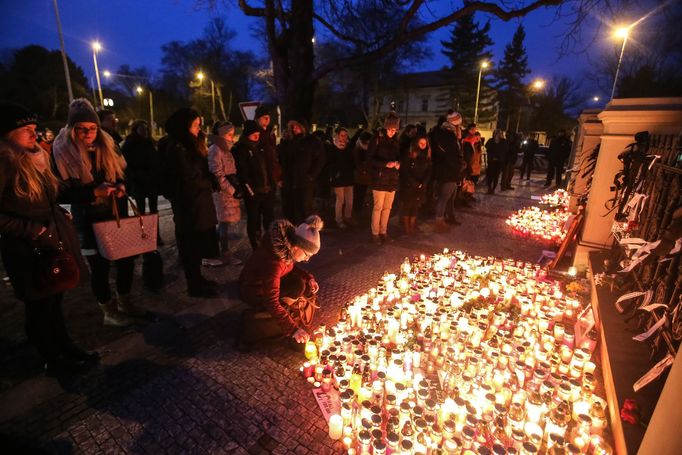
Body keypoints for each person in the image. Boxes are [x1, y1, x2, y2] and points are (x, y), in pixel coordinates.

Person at [0, 102, 98, 376]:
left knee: (54, 301)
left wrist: (58, 214)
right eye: (26, 130)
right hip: (26, 250)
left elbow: (48, 198)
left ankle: (65, 347)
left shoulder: (34, 159)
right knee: (39, 306)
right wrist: (34, 230)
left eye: (34, 128)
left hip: (49, 243)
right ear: (8, 134)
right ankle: (52, 359)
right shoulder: (4, 163)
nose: (34, 134)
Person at [52, 99, 144, 326]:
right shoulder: (62, 151)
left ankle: (125, 301)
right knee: (100, 267)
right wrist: (94, 193)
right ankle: (109, 312)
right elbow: (60, 194)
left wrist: (123, 186)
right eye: (82, 128)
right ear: (72, 129)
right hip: (88, 219)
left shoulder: (108, 143)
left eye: (92, 127)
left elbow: (125, 173)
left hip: (116, 213)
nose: (89, 133)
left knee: (125, 261)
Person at [161, 107, 221, 297]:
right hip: (189, 206)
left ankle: (198, 279)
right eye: (195, 125)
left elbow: (199, 170)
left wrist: (210, 178)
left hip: (198, 203)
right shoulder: (177, 148)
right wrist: (208, 182)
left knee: (197, 245)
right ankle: (194, 286)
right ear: (184, 126)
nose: (198, 129)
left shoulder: (189, 145)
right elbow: (188, 178)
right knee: (190, 247)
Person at [238, 215, 323, 347]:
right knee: (294, 289)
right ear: (296, 247)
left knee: (300, 283)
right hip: (253, 290)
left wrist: (309, 278)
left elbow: (290, 268)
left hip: (264, 284)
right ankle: (272, 318)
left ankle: (285, 312)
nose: (307, 260)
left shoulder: (286, 249)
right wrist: (293, 330)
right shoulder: (274, 262)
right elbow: (271, 300)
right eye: (307, 255)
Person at [233, 120, 275, 249]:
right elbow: (242, 173)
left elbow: (267, 167)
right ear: (247, 134)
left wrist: (271, 185)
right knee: (254, 220)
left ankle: (269, 243)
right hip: (254, 192)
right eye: (254, 134)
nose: (257, 136)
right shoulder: (241, 149)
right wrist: (250, 191)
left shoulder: (259, 147)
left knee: (269, 218)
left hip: (266, 190)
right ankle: (256, 246)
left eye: (258, 134)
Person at [206, 121, 243, 266]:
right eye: (229, 134)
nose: (232, 138)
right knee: (223, 225)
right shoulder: (215, 149)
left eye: (233, 134)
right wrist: (232, 190)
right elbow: (217, 174)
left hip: (228, 192)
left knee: (224, 224)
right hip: (222, 193)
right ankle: (223, 254)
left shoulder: (226, 149)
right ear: (221, 135)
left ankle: (212, 252)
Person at [278, 120, 325, 224]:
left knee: (304, 209)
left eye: (296, 126)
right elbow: (283, 161)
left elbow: (319, 160)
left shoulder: (312, 142)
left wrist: (311, 176)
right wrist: (281, 178)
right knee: (291, 209)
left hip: (305, 183)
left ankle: (304, 233)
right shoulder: (289, 142)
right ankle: (292, 232)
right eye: (292, 126)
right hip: (290, 182)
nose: (294, 129)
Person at [369, 112, 401, 245]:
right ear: (386, 127)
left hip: (392, 179)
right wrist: (385, 164)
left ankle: (384, 232)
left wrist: (398, 164)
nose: (393, 132)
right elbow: (370, 159)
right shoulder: (377, 139)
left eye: (395, 130)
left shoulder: (395, 141)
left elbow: (398, 155)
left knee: (388, 208)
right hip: (379, 179)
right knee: (378, 207)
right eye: (391, 129)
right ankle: (375, 234)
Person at [430, 110, 464, 231]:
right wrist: (458, 166)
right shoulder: (447, 135)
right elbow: (451, 155)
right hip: (448, 171)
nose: (460, 129)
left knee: (451, 198)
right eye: (459, 126)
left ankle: (451, 217)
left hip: (449, 170)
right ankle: (439, 221)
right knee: (444, 197)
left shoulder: (445, 134)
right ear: (454, 124)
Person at [400, 135, 431, 235]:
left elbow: (429, 171)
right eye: (421, 143)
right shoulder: (410, 155)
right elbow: (405, 171)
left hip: (421, 185)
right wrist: (414, 183)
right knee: (408, 206)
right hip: (409, 186)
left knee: (415, 207)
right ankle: (406, 228)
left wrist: (424, 182)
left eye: (425, 143)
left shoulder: (427, 156)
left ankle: (412, 227)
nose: (423, 145)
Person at [327, 127, 355, 228]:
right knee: (340, 200)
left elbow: (352, 160)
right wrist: (335, 173)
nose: (344, 138)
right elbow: (330, 163)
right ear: (338, 135)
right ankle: (338, 219)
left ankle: (348, 216)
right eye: (342, 135)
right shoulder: (332, 148)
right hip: (339, 178)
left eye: (345, 135)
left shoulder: (349, 147)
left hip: (348, 177)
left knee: (350, 200)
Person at [352, 131, 373, 221]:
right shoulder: (357, 149)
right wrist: (363, 168)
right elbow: (357, 163)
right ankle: (356, 211)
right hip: (359, 176)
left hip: (365, 176)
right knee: (358, 194)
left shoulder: (368, 149)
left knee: (362, 193)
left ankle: (359, 210)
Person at [485, 129, 507, 194]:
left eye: (499, 133)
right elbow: (487, 148)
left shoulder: (503, 141)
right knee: (490, 175)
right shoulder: (490, 140)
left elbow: (505, 150)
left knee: (496, 176)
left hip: (499, 162)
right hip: (491, 161)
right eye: (496, 133)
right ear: (494, 134)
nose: (498, 134)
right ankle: (489, 188)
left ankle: (493, 189)